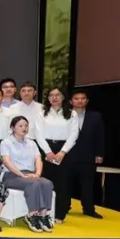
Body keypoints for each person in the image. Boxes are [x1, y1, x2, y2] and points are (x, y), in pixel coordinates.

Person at [0, 116, 55, 233]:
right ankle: (31, 215)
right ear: (12, 128)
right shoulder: (6, 143)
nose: (24, 128)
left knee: (47, 183)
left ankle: (43, 215)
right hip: (12, 175)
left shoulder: (32, 143)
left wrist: (37, 174)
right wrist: (21, 174)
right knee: (33, 184)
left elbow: (38, 159)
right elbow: (7, 162)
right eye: (20, 126)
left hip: (30, 174)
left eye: (26, 125)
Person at [36, 87, 79, 223]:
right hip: (46, 149)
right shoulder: (42, 114)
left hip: (65, 150)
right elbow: (38, 134)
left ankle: (59, 214)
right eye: (51, 95)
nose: (54, 98)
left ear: (63, 97)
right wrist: (48, 151)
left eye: (57, 95)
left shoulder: (72, 114)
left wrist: (62, 152)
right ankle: (43, 212)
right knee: (45, 182)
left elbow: (74, 134)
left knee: (63, 182)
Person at [68, 89, 105, 219]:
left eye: (82, 98)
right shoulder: (65, 115)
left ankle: (89, 209)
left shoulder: (95, 116)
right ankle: (64, 207)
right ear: (71, 101)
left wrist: (99, 154)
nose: (80, 101)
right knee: (66, 183)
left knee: (87, 184)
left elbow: (100, 136)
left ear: (87, 101)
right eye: (76, 98)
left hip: (88, 155)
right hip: (68, 155)